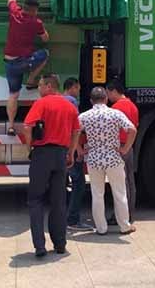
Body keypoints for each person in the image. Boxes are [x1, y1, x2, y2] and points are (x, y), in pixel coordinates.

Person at [23, 74, 80, 257]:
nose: (38, 89)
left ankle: (40, 246)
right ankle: (60, 244)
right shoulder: (69, 105)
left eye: (40, 85)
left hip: (42, 154)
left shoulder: (42, 103)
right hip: (61, 155)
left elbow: (27, 126)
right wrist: (71, 152)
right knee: (58, 201)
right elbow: (76, 130)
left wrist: (29, 146)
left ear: (49, 86)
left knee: (36, 200)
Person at [78, 87, 137, 235]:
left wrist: (79, 149)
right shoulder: (115, 114)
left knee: (97, 194)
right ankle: (124, 225)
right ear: (105, 98)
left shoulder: (84, 116)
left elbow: (73, 132)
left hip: (94, 159)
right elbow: (132, 130)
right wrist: (126, 148)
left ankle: (101, 228)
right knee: (119, 193)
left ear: (91, 100)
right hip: (113, 159)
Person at [4, 0, 50, 136]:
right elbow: (45, 39)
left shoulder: (15, 13)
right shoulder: (36, 22)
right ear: (35, 9)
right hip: (25, 62)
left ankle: (10, 125)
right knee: (45, 54)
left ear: (24, 6)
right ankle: (31, 80)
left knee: (13, 94)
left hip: (9, 62)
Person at [106, 79, 139, 224]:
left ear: (113, 91)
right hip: (129, 147)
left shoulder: (117, 108)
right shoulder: (133, 106)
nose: (108, 96)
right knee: (130, 181)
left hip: (118, 147)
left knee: (120, 184)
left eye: (108, 93)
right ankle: (130, 214)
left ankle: (121, 216)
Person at [62, 78, 93, 232]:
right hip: (70, 149)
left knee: (62, 183)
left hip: (59, 147)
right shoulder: (72, 102)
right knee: (79, 184)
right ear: (73, 87)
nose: (79, 93)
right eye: (78, 89)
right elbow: (74, 128)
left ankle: (62, 217)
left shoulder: (59, 100)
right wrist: (78, 148)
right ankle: (73, 220)